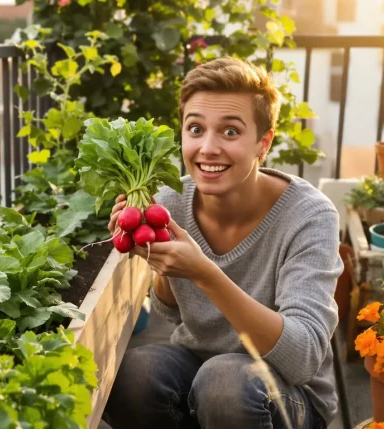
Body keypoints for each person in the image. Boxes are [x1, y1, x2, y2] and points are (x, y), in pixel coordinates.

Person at [102, 57, 343, 429]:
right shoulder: (170, 201)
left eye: (230, 132)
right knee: (132, 375)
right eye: (195, 129)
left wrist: (206, 274)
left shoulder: (309, 217)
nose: (208, 148)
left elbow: (303, 356)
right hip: (201, 369)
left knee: (226, 383)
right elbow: (174, 313)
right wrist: (159, 257)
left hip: (288, 394)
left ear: (263, 143)